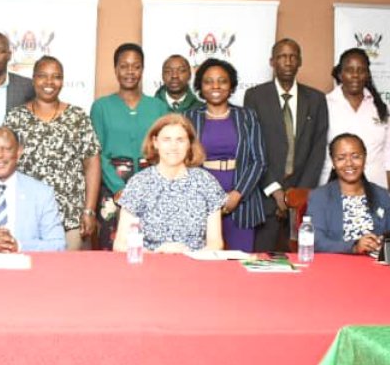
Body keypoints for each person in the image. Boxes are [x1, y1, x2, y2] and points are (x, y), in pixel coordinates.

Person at [5, 56, 101, 250]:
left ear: (62, 81)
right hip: (27, 217)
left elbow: (92, 163)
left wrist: (89, 211)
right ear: (33, 79)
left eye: (56, 77)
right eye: (43, 76)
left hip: (71, 217)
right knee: (28, 277)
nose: (49, 82)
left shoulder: (77, 117)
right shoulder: (15, 117)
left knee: (71, 277)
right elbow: (4, 165)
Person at [244, 38, 329, 252]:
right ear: (272, 62)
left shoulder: (316, 99)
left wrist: (298, 194)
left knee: (300, 264)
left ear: (300, 61)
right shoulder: (255, 96)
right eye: (282, 56)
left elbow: (318, 149)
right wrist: (275, 190)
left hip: (302, 199)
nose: (288, 61)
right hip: (266, 197)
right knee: (262, 263)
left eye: (293, 56)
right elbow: (253, 146)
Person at [90, 43, 169, 248]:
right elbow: (96, 152)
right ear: (115, 69)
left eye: (136, 66)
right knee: (113, 245)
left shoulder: (159, 107)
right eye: (124, 66)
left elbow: (167, 151)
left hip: (152, 184)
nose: (130, 72)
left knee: (151, 246)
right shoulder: (101, 106)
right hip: (113, 186)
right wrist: (119, 188)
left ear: (143, 69)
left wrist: (149, 184)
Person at [186, 59, 266, 252]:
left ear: (231, 86)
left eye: (222, 81)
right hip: (200, 199)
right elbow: (185, 161)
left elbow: (259, 161)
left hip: (241, 200)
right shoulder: (189, 117)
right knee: (203, 266)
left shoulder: (247, 116)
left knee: (239, 263)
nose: (215, 86)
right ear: (199, 87)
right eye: (208, 81)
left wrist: (237, 195)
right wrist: (205, 196)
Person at [114, 114, 226, 253]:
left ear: (189, 144)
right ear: (155, 142)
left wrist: (189, 254)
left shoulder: (206, 182)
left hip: (195, 267)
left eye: (180, 140)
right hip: (149, 266)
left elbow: (216, 244)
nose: (173, 146)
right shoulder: (139, 183)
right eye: (167, 139)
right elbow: (121, 244)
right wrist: (156, 253)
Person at [306, 133, 390, 255]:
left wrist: (383, 244)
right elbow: (316, 242)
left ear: (365, 158)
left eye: (356, 156)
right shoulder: (319, 196)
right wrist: (354, 247)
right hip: (336, 267)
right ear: (333, 163)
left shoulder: (382, 195)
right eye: (341, 158)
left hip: (376, 267)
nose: (349, 163)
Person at [320, 48, 390, 189]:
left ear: (367, 75)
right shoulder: (324, 105)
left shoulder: (380, 108)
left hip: (376, 189)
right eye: (349, 70)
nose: (355, 75)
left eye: (361, 70)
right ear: (340, 74)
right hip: (334, 189)